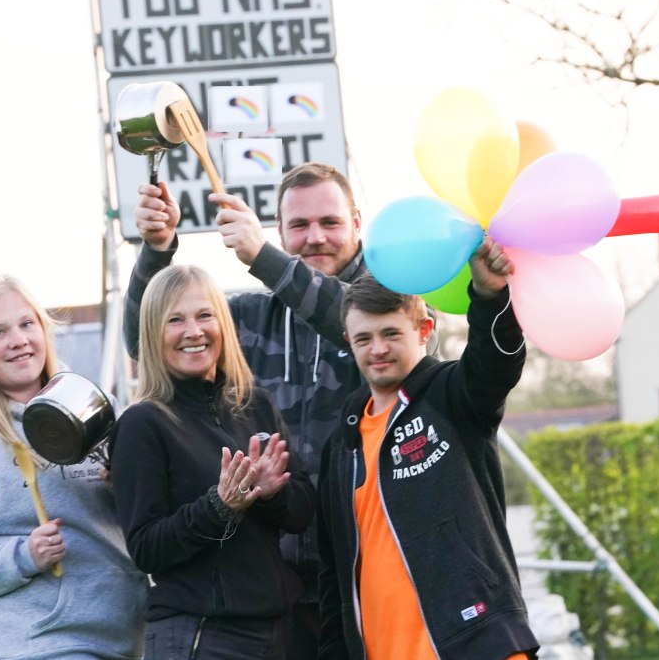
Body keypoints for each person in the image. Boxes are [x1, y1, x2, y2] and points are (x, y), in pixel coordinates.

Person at [125, 162, 371, 658]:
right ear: (281, 229)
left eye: (330, 222)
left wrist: (265, 257)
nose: (315, 237)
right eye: (298, 226)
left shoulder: (388, 306)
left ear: (357, 223)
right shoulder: (247, 317)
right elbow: (148, 339)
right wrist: (156, 251)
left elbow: (359, 321)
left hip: (361, 574)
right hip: (271, 591)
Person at [317, 238, 540, 660]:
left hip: (477, 644)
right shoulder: (340, 443)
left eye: (391, 333)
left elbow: (495, 363)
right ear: (348, 341)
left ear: (423, 331)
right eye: (363, 338)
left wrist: (491, 296)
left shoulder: (452, 395)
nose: (377, 349)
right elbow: (333, 575)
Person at [0, 274, 148, 660]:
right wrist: (22, 556)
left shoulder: (91, 406)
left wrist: (130, 485)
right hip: (35, 646)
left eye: (26, 324)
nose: (18, 340)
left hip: (127, 639)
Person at [109, 264, 317, 660]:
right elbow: (147, 549)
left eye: (205, 315)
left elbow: (301, 513)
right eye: (175, 319)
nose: (193, 331)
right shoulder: (143, 423)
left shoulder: (255, 404)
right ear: (153, 333)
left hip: (277, 631)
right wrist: (219, 507)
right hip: (200, 634)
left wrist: (274, 494)